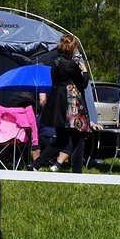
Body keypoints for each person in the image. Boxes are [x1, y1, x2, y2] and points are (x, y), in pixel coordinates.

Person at [29, 34, 90, 173]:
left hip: (58, 104)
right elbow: (82, 83)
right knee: (78, 139)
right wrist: (84, 72)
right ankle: (77, 173)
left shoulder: (55, 62)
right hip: (72, 105)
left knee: (61, 139)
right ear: (72, 48)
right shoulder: (71, 64)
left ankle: (35, 165)